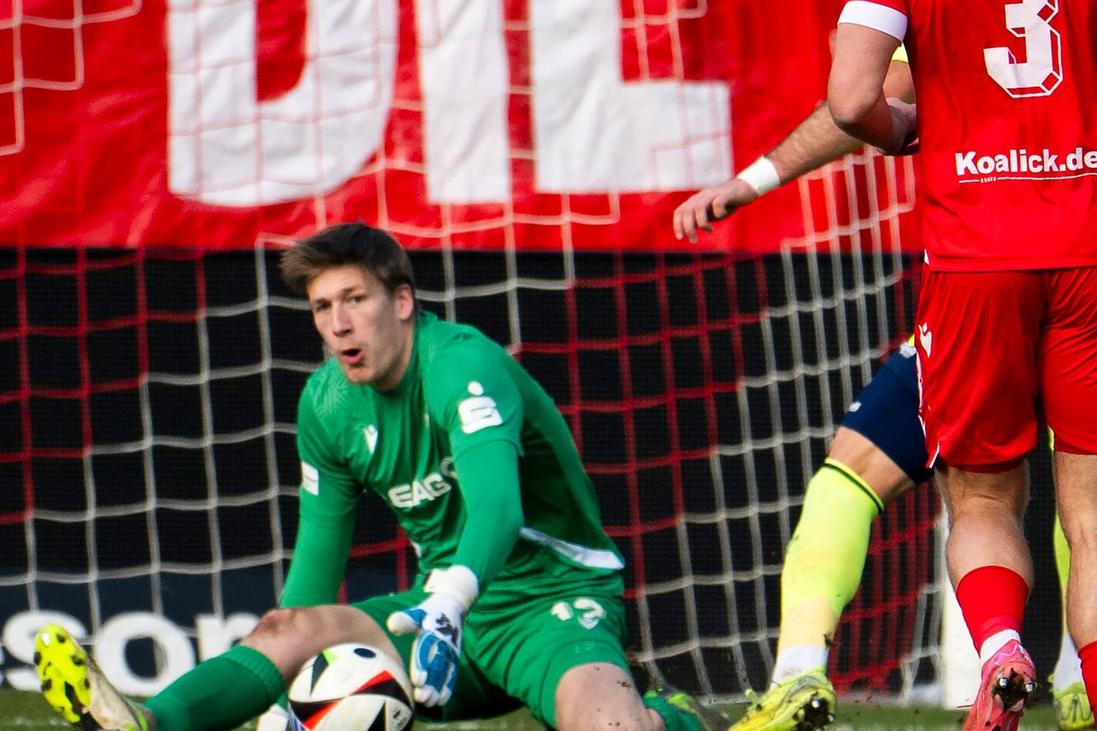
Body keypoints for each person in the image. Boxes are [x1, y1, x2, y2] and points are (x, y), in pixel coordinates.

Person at [672, 12, 1097, 731]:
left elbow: (855, 98)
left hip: (983, 260)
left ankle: (917, 655)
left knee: (911, 480)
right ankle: (1092, 689)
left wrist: (759, 177)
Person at [34, 223, 722, 731]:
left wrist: (448, 605)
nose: (337, 325)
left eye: (354, 299)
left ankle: (674, 718)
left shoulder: (460, 363)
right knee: (289, 625)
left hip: (549, 602)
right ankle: (149, 723)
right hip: (440, 617)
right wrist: (287, 700)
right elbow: (313, 570)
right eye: (321, 308)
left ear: (401, 300)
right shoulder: (327, 405)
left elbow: (497, 508)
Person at [824, 2, 1097, 730]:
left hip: (973, 254)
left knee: (981, 500)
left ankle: (1004, 650)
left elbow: (852, 101)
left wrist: (901, 130)